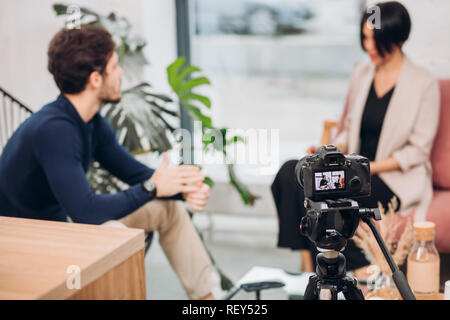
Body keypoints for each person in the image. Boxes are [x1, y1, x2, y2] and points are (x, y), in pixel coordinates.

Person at [0, 24, 217, 300]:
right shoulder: (55, 130)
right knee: (114, 237)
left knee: (168, 210)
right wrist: (152, 187)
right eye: (115, 67)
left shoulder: (91, 123)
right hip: (30, 243)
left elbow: (134, 173)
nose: (121, 73)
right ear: (95, 79)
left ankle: (207, 300)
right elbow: (85, 212)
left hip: (62, 225)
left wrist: (184, 189)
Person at [271, 1, 440, 276]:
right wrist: (331, 153)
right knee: (292, 171)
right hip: (353, 171)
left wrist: (368, 168)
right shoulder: (361, 73)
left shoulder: (423, 83)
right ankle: (308, 267)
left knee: (331, 196)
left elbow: (417, 152)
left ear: (397, 39)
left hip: (393, 178)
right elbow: (349, 129)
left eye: (376, 40)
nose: (369, 46)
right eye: (365, 38)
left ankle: (360, 271)